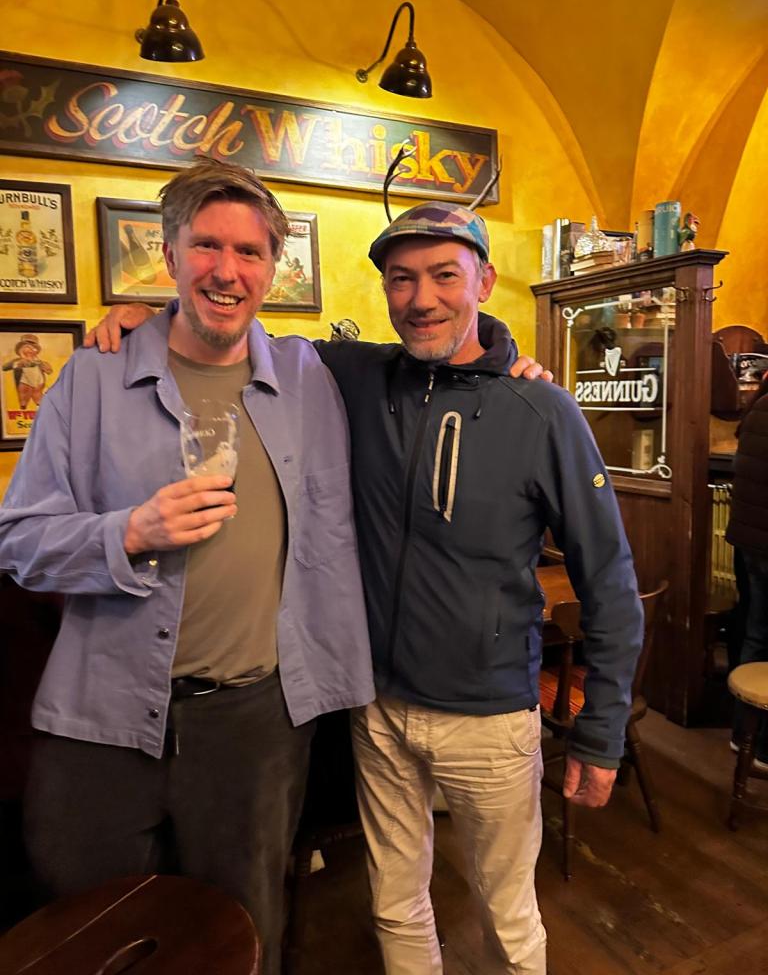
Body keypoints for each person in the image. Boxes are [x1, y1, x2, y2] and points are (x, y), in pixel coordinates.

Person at [90, 197, 643, 975]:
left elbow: (608, 578)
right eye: (401, 279)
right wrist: (148, 317)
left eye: (444, 275)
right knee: (394, 903)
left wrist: (603, 728)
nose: (421, 299)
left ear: (484, 281)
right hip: (376, 706)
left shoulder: (541, 409)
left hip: (489, 719)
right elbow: (232, 322)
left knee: (508, 916)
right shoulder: (353, 375)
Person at [0, 160, 376, 975]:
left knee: (241, 931)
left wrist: (508, 354)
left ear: (273, 268)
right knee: (85, 932)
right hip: (101, 714)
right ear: (168, 255)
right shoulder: (92, 376)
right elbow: (20, 541)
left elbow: (435, 344)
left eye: (249, 251)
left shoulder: (311, 375)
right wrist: (129, 532)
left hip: (255, 721)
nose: (226, 270)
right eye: (206, 245)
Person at [726, 373, 768, 769]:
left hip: (749, 542)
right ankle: (763, 746)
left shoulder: (757, 409)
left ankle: (743, 734)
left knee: (756, 633)